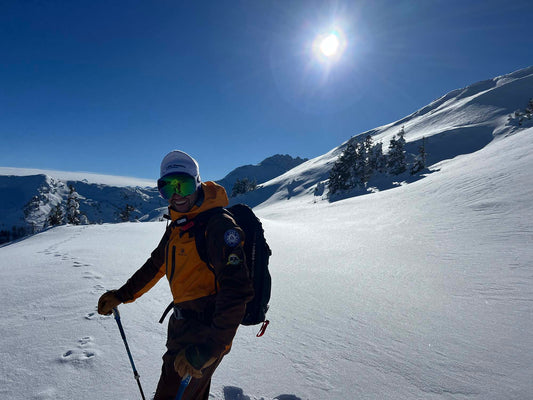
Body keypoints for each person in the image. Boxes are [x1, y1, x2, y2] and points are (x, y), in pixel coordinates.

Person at [97, 150, 254, 400]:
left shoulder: (218, 226)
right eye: (168, 188)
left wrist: (210, 349)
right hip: (183, 328)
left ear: (198, 183)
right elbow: (155, 265)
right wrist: (121, 295)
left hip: (205, 335)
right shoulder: (179, 226)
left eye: (184, 184)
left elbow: (236, 291)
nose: (177, 194)